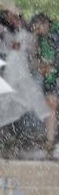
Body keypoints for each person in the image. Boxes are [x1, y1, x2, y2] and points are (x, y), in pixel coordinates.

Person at [31, 14, 59, 157]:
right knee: (51, 106)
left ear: (45, 23)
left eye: (38, 27)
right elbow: (38, 57)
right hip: (49, 78)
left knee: (51, 106)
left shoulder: (55, 34)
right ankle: (50, 140)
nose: (37, 31)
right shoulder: (43, 37)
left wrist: (50, 66)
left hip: (53, 76)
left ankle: (51, 140)